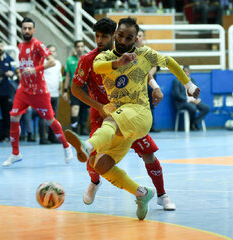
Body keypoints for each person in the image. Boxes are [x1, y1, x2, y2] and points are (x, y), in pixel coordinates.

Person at [66, 17, 200, 220]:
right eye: (97, 36)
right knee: (98, 163)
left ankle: (162, 194)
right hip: (107, 112)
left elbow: (147, 68)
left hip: (135, 114)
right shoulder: (96, 59)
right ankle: (139, 193)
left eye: (106, 36)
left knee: (147, 154)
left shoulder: (141, 53)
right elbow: (97, 70)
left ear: (130, 38)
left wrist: (163, 87)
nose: (100, 40)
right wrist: (117, 65)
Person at [3, 17, 73, 167]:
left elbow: (52, 61)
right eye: (24, 28)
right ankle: (15, 153)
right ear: (21, 30)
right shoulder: (20, 46)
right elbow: (24, 67)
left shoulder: (38, 45)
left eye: (29, 28)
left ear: (33, 30)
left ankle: (66, 146)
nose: (27, 31)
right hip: (23, 90)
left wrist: (35, 69)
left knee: (49, 120)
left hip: (39, 92)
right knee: (14, 117)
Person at [136, 28, 161, 133]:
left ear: (143, 38)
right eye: (136, 35)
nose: (137, 38)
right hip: (134, 84)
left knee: (150, 105)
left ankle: (151, 126)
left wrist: (148, 75)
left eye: (140, 36)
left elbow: (155, 66)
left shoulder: (149, 51)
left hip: (148, 84)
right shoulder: (127, 52)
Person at [62, 40, 90, 135]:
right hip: (74, 88)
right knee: (75, 109)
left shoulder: (87, 58)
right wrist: (65, 91)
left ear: (84, 48)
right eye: (78, 46)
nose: (80, 48)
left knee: (85, 108)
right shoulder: (70, 60)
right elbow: (68, 76)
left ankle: (82, 128)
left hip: (86, 88)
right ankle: (74, 130)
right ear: (75, 48)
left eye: (82, 46)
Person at [172, 65, 210, 131]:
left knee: (206, 108)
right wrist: (189, 100)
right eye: (185, 71)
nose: (186, 73)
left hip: (193, 101)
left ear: (190, 72)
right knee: (193, 108)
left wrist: (198, 99)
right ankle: (192, 125)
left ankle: (195, 123)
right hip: (183, 102)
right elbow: (177, 94)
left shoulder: (192, 80)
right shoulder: (177, 81)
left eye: (188, 71)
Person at [39, 44, 63, 144]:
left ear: (56, 53)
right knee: (44, 117)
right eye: (49, 51)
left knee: (54, 117)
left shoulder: (58, 63)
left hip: (55, 94)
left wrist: (61, 90)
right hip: (45, 94)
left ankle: (52, 136)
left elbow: (59, 77)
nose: (51, 53)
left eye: (53, 51)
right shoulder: (42, 63)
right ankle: (42, 138)